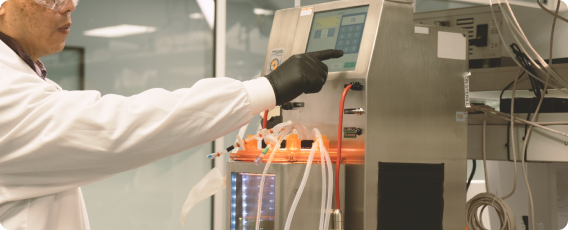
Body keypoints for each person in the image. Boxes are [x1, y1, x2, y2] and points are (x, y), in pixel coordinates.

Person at [0, 0, 343, 229]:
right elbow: (116, 126)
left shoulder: (23, 72)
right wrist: (265, 89)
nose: (70, 5)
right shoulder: (6, 90)